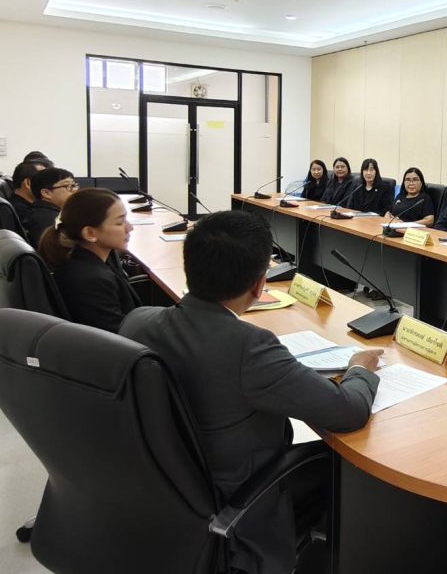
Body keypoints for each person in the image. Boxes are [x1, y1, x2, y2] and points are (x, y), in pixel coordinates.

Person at [120, 211, 381, 574]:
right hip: (237, 490)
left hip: (165, 485)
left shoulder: (136, 321)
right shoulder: (249, 347)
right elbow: (348, 412)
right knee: (341, 463)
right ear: (260, 286)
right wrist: (359, 369)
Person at [37, 188, 140, 332]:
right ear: (90, 233)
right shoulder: (90, 279)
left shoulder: (88, 261)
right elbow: (116, 336)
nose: (130, 228)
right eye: (119, 222)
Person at [23, 167, 77, 247]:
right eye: (67, 186)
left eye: (74, 185)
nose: (74, 190)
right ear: (46, 193)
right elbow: (59, 251)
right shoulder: (45, 219)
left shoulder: (53, 213)